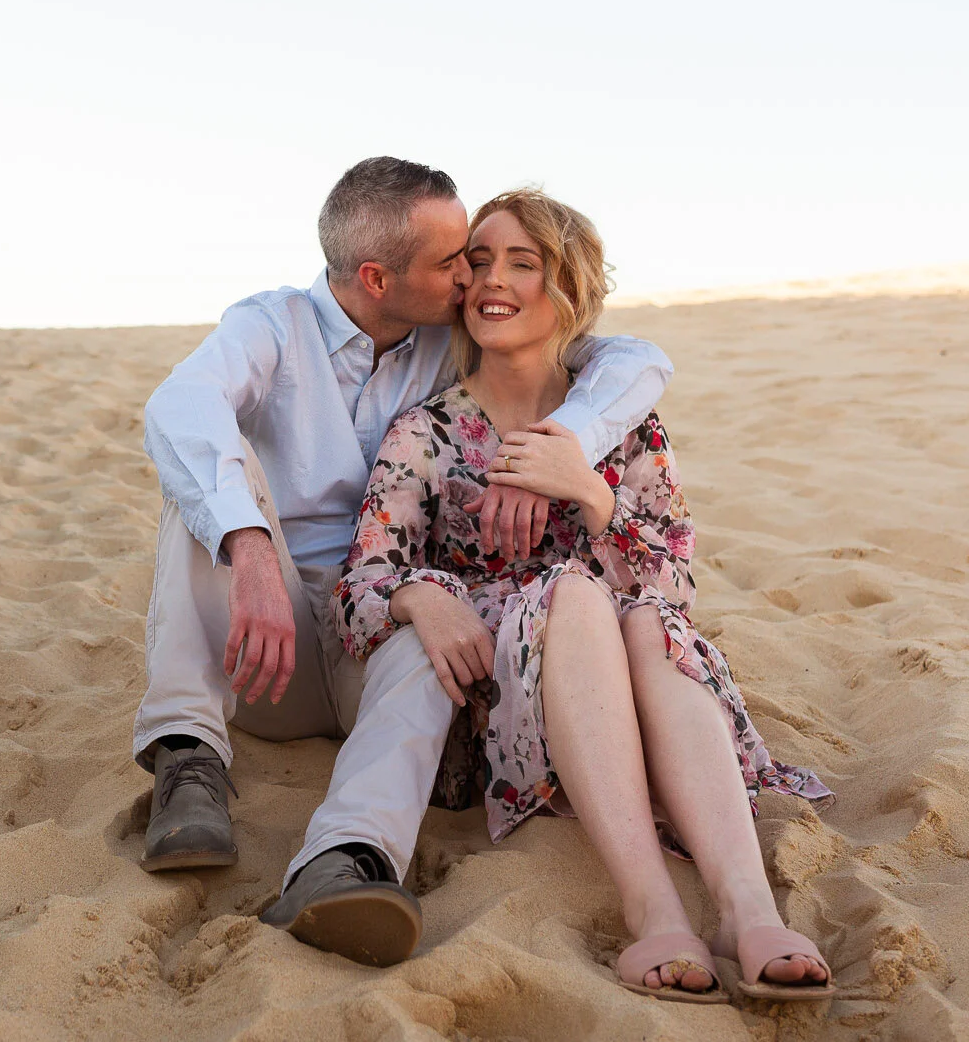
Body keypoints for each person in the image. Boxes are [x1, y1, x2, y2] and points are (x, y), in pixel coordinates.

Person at [137, 158, 674, 967]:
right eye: (453, 261)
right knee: (206, 475)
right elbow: (177, 404)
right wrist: (247, 546)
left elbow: (633, 359)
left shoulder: (446, 340)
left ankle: (344, 859)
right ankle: (187, 755)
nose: (469, 277)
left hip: (372, 635)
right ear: (376, 277)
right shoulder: (271, 327)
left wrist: (558, 446)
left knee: (437, 624)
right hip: (264, 641)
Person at [333, 188, 837, 1003]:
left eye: (523, 263)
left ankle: (748, 908)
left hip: (634, 699)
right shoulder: (425, 432)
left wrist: (588, 493)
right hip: (504, 713)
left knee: (645, 622)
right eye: (482, 261)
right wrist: (424, 595)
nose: (494, 280)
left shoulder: (621, 421)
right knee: (575, 594)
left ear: (568, 288)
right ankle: (655, 912)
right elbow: (360, 586)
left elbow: (675, 584)